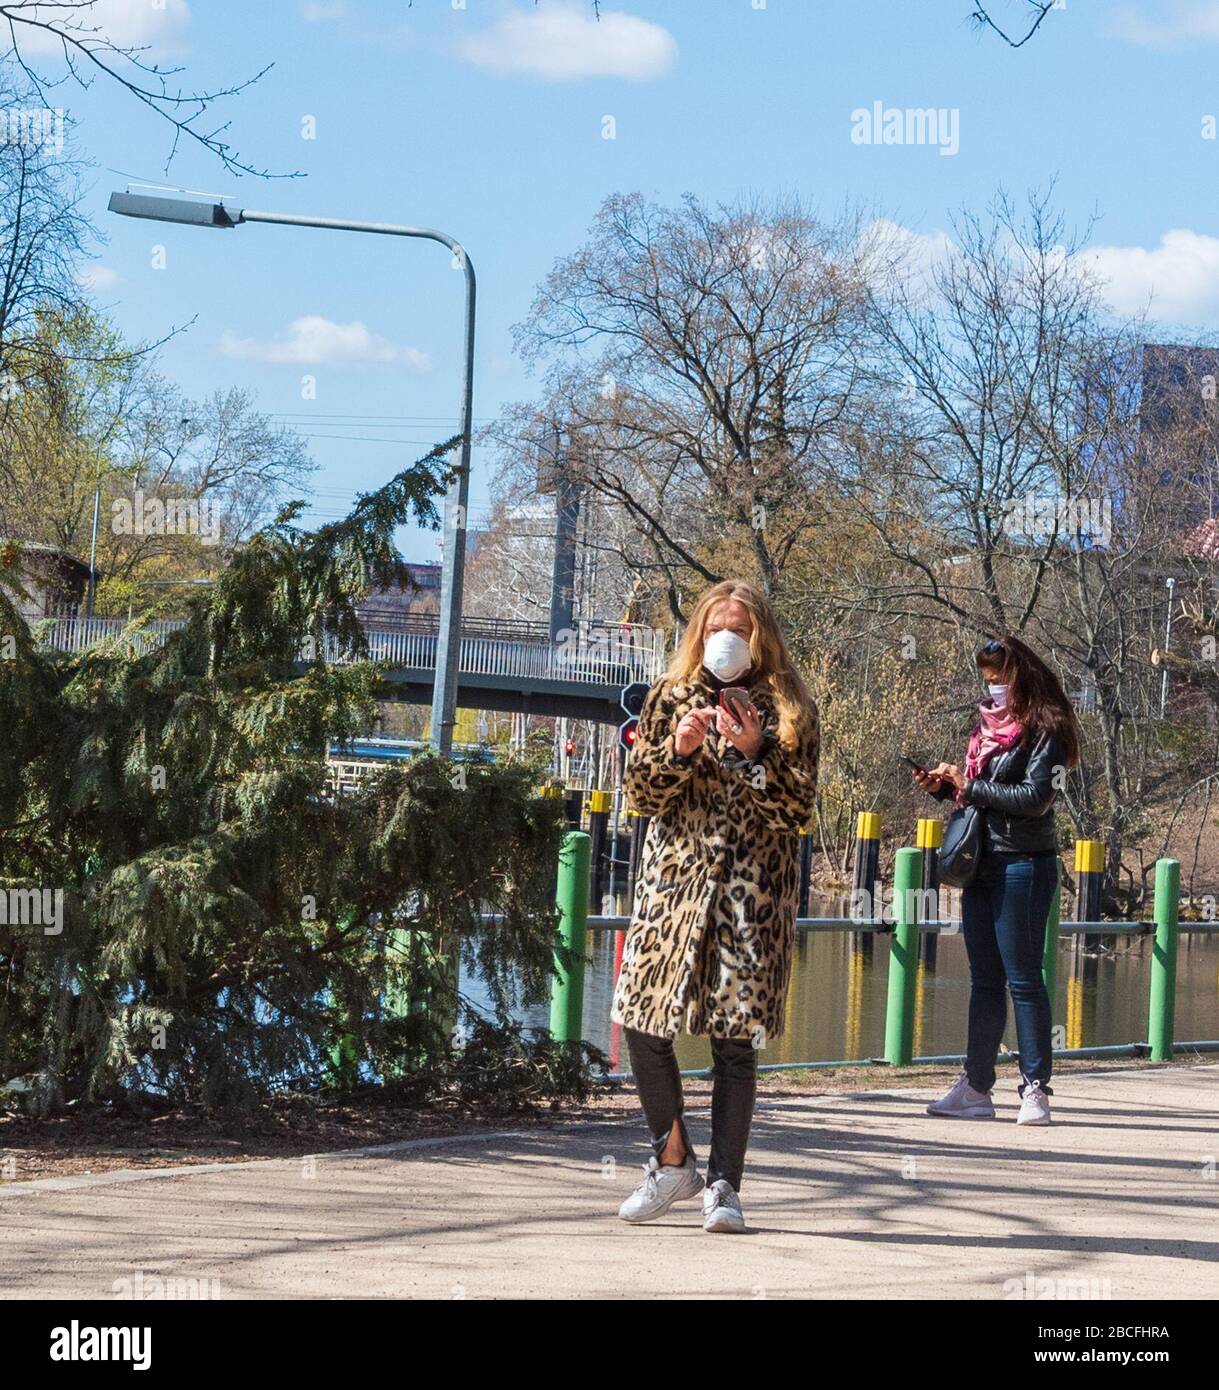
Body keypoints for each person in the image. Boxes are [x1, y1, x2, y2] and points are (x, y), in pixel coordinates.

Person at [610, 580, 819, 1232]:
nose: (726, 639)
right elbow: (639, 797)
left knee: (734, 1044)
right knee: (643, 1027)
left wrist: (755, 751)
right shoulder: (668, 698)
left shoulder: (789, 709)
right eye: (715, 627)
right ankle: (671, 1159)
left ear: (761, 638)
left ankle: (724, 1186)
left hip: (747, 900)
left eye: (740, 628)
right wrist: (677, 750)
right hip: (671, 893)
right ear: (698, 632)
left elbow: (797, 810)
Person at [914, 635, 1079, 1126]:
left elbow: (1034, 799)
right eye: (988, 679)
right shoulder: (984, 730)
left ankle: (1035, 1089)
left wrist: (970, 785)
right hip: (981, 864)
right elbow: (982, 798)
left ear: (1023, 676)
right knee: (985, 981)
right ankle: (976, 1086)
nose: (995, 688)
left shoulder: (1048, 731)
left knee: (1025, 979)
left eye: (1002, 679)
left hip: (1025, 862)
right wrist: (948, 788)